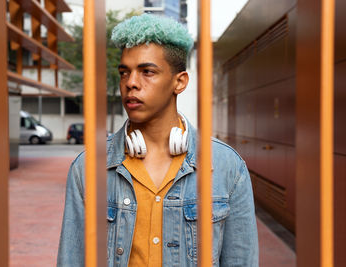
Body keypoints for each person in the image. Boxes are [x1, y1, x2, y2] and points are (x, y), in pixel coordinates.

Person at [57, 14, 258, 267]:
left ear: (180, 82)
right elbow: (71, 260)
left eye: (147, 72)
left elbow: (241, 261)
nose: (131, 83)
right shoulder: (87, 168)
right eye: (124, 72)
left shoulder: (228, 166)